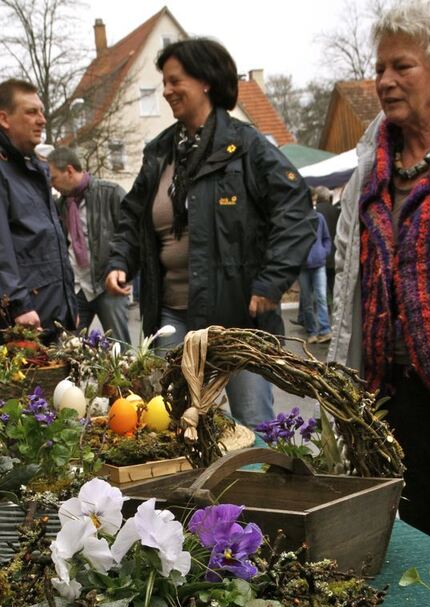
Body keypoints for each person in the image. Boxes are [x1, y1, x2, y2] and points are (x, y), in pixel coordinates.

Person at [105, 38, 315, 430]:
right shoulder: (161, 153)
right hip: (171, 316)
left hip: (238, 320)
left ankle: (255, 493)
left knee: (253, 423)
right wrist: (119, 261)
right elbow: (132, 216)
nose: (166, 91)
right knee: (173, 420)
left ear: (205, 81)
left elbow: (297, 211)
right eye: (163, 83)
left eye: (174, 81)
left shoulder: (246, 146)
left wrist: (271, 283)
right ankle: (196, 494)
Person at [328, 0, 430, 543]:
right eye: (379, 68)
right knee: (416, 532)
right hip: (391, 391)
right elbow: (346, 276)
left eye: (402, 66)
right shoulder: (371, 168)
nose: (385, 80)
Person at [0, 79, 76, 345]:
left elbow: (48, 240)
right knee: (32, 387)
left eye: (42, 111)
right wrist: (17, 306)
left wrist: (70, 307)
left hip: (54, 315)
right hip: (25, 321)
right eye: (31, 112)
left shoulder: (32, 168)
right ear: (4, 118)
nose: (42, 120)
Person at [47, 146, 131, 345]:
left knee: (121, 351)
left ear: (69, 170)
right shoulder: (59, 206)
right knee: (68, 349)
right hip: (76, 290)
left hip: (107, 287)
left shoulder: (111, 193)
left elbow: (132, 235)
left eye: (54, 178)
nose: (52, 184)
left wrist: (123, 270)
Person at [299, 194, 332, 345]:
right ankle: (312, 332)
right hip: (303, 267)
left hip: (319, 264)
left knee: (321, 297)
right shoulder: (297, 220)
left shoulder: (320, 218)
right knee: (306, 300)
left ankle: (325, 331)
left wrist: (324, 252)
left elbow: (326, 238)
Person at [314, 185, 341, 313]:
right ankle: (336, 309)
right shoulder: (336, 211)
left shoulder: (314, 212)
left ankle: (326, 310)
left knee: (321, 287)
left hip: (319, 255)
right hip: (335, 253)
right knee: (334, 283)